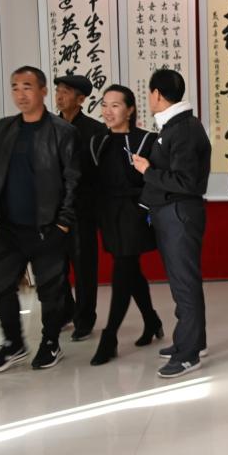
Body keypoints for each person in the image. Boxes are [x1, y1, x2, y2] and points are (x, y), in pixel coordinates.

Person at [0, 66, 80, 372]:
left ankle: (50, 342)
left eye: (27, 86)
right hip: (10, 227)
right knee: (0, 287)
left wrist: (63, 222)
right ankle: (14, 344)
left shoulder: (62, 132)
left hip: (47, 226)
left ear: (43, 91)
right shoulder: (4, 129)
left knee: (50, 291)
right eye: (15, 87)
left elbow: (74, 180)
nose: (20, 94)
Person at [132, 69, 211, 379]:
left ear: (157, 94)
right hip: (171, 213)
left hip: (179, 213)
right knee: (182, 282)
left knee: (185, 283)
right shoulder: (175, 126)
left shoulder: (183, 129)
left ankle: (189, 354)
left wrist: (147, 170)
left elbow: (186, 181)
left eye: (149, 93)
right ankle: (192, 341)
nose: (148, 98)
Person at [88, 85, 163, 366]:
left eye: (115, 105)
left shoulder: (147, 140)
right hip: (109, 215)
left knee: (123, 269)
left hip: (135, 215)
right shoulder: (98, 142)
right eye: (105, 105)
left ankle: (109, 337)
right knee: (130, 270)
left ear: (130, 109)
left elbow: (154, 180)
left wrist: (143, 207)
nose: (108, 111)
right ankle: (152, 320)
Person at [53, 74, 105, 342]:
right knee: (55, 265)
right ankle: (65, 311)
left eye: (66, 92)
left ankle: (84, 319)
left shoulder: (95, 131)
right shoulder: (48, 127)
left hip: (83, 210)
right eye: (58, 91)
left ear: (81, 99)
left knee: (84, 267)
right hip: (54, 210)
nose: (60, 96)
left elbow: (100, 173)